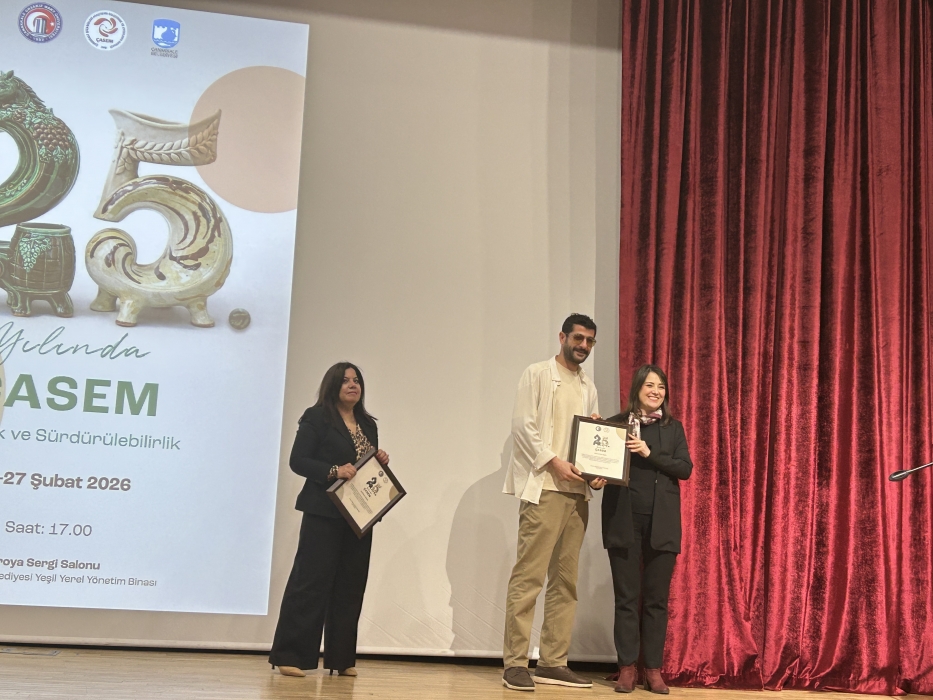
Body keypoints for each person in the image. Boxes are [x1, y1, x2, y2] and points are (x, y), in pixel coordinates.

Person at [501, 313, 608, 692]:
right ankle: (515, 663)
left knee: (566, 582)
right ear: (562, 337)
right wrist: (554, 462)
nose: (583, 346)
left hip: (577, 495)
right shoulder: (537, 374)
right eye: (578, 338)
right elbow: (522, 426)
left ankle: (552, 662)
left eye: (589, 341)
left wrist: (596, 471)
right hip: (545, 488)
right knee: (529, 577)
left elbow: (591, 440)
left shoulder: (588, 386)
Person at [269, 362, 390, 678]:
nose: (353, 385)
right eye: (345, 380)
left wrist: (378, 460)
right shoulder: (317, 417)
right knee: (310, 582)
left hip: (359, 516)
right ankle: (290, 656)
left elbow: (364, 466)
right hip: (323, 512)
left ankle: (341, 659)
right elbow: (298, 461)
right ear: (332, 385)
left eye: (357, 380)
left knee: (351, 585)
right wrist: (333, 471)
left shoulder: (368, 424)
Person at [601, 364, 692, 694]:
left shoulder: (673, 428)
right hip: (623, 519)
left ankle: (652, 669)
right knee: (626, 598)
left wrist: (648, 452)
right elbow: (599, 466)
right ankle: (627, 667)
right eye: (650, 385)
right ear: (637, 389)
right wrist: (594, 478)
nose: (656, 391)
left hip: (662, 523)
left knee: (656, 601)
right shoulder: (616, 424)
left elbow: (684, 468)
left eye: (661, 387)